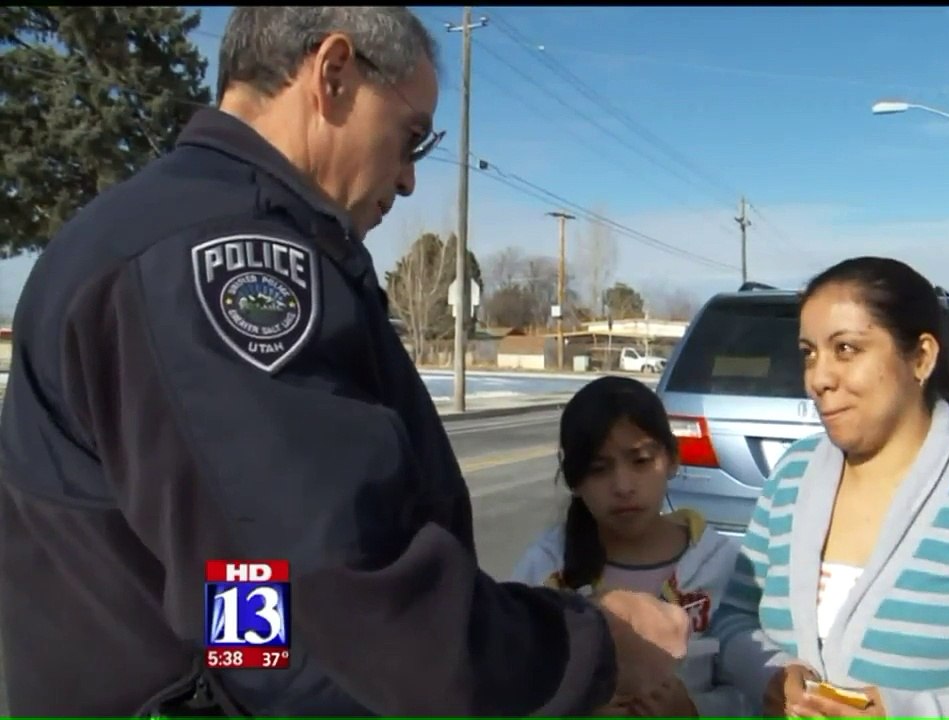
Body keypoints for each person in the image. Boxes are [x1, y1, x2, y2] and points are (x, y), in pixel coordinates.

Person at [0, 7, 688, 716]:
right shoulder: (221, 260)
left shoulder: (173, 231)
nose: (411, 179)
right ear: (332, 75)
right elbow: (335, 586)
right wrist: (593, 649)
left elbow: (241, 588)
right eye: (411, 137)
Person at [708, 257, 949, 718]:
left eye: (846, 349)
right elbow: (732, 618)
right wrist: (770, 677)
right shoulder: (792, 475)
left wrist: (918, 712)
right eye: (808, 353)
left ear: (921, 357)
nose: (818, 378)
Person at [510, 376, 750, 717]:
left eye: (640, 461)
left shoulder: (720, 566)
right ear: (573, 479)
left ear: (672, 459)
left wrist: (694, 710)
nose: (623, 486)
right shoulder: (546, 572)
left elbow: (752, 692)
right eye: (598, 468)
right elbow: (512, 687)